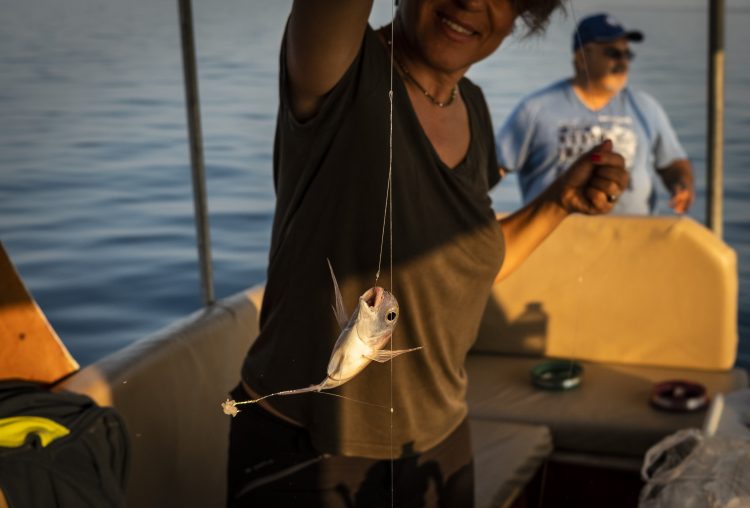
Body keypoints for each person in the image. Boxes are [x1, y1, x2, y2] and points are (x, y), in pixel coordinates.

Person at [227, 1, 628, 506]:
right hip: (310, 451)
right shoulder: (338, 68)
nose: (471, 2)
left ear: (520, 17)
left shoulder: (473, 107)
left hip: (441, 440)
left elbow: (465, 269)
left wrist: (557, 203)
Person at [495, 12, 695, 215]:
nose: (623, 62)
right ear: (581, 58)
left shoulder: (646, 108)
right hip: (554, 239)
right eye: (613, 53)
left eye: (627, 55)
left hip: (631, 238)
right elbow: (494, 168)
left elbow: (672, 163)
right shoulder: (536, 109)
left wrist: (681, 185)